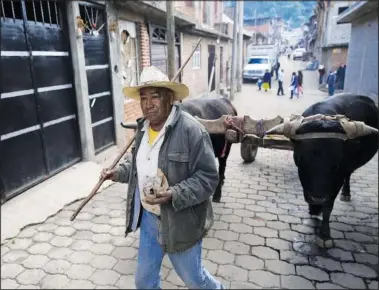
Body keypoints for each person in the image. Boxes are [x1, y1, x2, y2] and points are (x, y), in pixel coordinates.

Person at [101, 66, 224, 289]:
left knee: (194, 279)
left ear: (169, 98)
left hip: (181, 221)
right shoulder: (142, 130)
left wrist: (174, 193)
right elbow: (136, 164)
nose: (148, 104)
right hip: (149, 219)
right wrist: (117, 172)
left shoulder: (192, 131)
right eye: (143, 98)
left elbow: (208, 178)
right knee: (144, 281)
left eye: (155, 97)